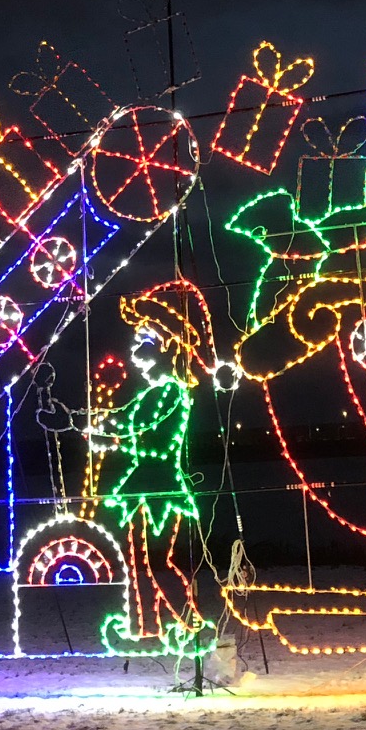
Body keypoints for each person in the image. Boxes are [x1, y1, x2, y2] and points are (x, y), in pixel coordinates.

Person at [90, 278, 235, 655]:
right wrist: (96, 429)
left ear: (167, 347)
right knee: (136, 560)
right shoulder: (149, 394)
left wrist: (109, 429)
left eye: (145, 342)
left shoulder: (171, 390)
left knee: (156, 559)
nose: (135, 349)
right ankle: (145, 628)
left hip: (162, 483)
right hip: (142, 481)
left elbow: (137, 425)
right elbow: (128, 425)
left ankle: (192, 622)